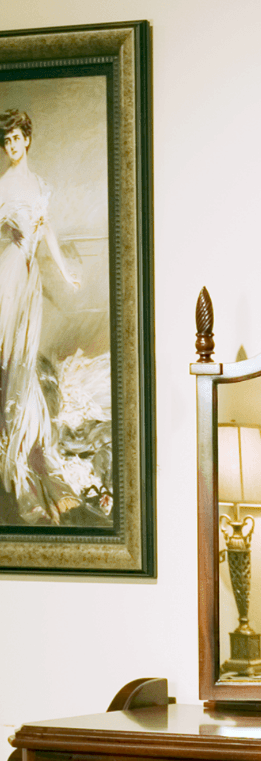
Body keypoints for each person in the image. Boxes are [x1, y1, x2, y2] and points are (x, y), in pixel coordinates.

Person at [0, 108, 83, 523]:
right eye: (6, 141)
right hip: (7, 273)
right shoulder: (3, 185)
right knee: (10, 357)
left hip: (29, 276)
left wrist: (66, 272)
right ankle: (12, 448)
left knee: (25, 359)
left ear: (27, 140)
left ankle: (29, 441)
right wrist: (5, 227)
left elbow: (46, 231)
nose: (12, 146)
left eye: (16, 138)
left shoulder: (38, 185)